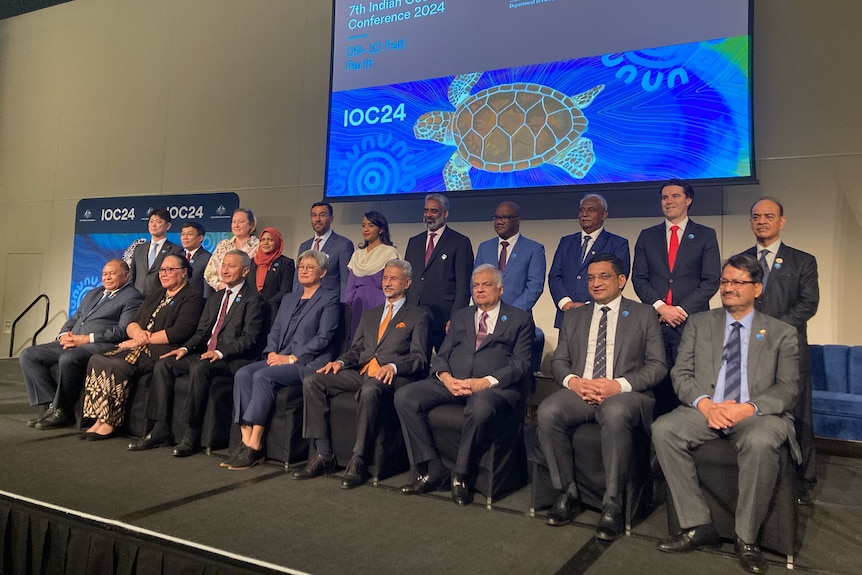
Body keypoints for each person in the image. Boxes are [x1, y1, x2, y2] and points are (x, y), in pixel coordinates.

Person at [653, 254, 799, 575]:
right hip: (708, 407)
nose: (728, 288)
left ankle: (746, 539)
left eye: (737, 282)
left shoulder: (781, 332)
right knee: (664, 430)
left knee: (761, 442)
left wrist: (746, 408)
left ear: (757, 288)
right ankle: (697, 524)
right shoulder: (699, 323)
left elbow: (788, 388)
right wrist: (705, 404)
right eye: (724, 281)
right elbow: (681, 373)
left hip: (755, 413)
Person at [537, 254, 666, 540]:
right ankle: (567, 492)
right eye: (591, 277)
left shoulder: (643, 314)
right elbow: (559, 362)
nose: (596, 283)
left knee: (614, 412)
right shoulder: (574, 315)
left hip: (625, 394)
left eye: (604, 276)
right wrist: (574, 382)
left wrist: (617, 386)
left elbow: (657, 366)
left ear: (621, 280)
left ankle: (612, 504)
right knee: (547, 412)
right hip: (581, 391)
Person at [394, 264, 534, 506]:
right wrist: (446, 378)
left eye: (486, 285)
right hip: (453, 382)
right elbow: (443, 354)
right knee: (405, 396)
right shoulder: (461, 315)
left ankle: (461, 474)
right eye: (476, 285)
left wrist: (485, 382)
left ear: (500, 289)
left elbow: (521, 364)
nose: (479, 290)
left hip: (493, 388)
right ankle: (433, 466)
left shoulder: (519, 319)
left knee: (479, 409)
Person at [298, 259, 430, 487]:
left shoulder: (418, 316)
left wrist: (394, 367)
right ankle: (323, 453)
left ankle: (358, 460)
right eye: (385, 278)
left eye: (393, 279)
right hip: (362, 371)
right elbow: (356, 350)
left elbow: (420, 359)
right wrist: (339, 362)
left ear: (407, 283)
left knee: (370, 390)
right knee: (313, 381)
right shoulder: (370, 314)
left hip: (392, 377)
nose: (387, 283)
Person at [130, 250, 266, 456]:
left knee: (200, 367)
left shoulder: (253, 300)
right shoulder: (215, 297)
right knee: (164, 363)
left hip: (232, 358)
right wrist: (183, 349)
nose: (225, 270)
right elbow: (201, 332)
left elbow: (249, 339)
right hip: (204, 353)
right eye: (224, 265)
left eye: (231, 266)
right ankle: (160, 428)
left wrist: (220, 353)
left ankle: (191, 433)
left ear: (246, 270)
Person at [737, 197, 819, 505]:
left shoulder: (802, 260)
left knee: (799, 415)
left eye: (768, 216)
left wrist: (770, 331)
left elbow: (808, 304)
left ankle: (803, 482)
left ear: (781, 221)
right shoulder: (740, 260)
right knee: (755, 411)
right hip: (747, 352)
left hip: (789, 351)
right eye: (756, 216)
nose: (761, 221)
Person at [227, 250, 341, 470]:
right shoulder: (289, 298)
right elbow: (276, 329)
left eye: (311, 267)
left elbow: (324, 337)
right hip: (279, 356)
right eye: (302, 267)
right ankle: (246, 438)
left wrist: (292, 358)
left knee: (261, 376)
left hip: (307, 363)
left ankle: (255, 443)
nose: (305, 271)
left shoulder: (330, 299)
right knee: (243, 374)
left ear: (323, 273)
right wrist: (270, 351)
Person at [80, 254, 203, 439]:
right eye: (162, 270)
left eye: (170, 270)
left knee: (118, 365)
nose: (164, 274)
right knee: (99, 358)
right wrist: (137, 333)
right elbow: (133, 322)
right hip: (140, 342)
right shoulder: (157, 293)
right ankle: (98, 418)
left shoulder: (191, 297)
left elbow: (180, 332)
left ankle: (110, 422)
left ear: (184, 272)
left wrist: (143, 340)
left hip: (163, 347)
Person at [632, 178, 720, 416]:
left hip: (690, 323)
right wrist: (661, 307)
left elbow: (711, 280)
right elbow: (639, 278)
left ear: (688, 200)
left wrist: (680, 311)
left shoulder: (705, 235)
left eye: (675, 196)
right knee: (659, 387)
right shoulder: (647, 236)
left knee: (690, 383)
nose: (669, 201)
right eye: (664, 197)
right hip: (656, 323)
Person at [21, 259, 144, 430]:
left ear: (126, 275)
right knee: (28, 355)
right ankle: (52, 405)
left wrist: (87, 339)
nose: (107, 277)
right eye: (104, 274)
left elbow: (122, 330)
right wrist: (64, 335)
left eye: (112, 273)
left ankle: (63, 411)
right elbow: (75, 318)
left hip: (101, 344)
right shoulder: (93, 293)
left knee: (68, 359)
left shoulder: (133, 297)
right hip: (74, 341)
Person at [474, 201, 546, 374]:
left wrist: (508, 313)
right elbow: (474, 281)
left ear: (517, 220)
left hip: (518, 320)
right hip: (487, 319)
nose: (499, 221)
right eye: (497, 217)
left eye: (505, 217)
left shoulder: (534, 249)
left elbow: (534, 286)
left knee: (515, 371)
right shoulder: (485, 247)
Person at [404, 193, 474, 352]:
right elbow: (407, 280)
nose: (428, 215)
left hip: (444, 318)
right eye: (426, 210)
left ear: (445, 213)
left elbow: (463, 286)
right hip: (416, 314)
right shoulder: (414, 242)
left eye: (434, 211)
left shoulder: (460, 242)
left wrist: (455, 318)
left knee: (445, 366)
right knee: (416, 363)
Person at [548, 194, 630, 329]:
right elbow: (554, 276)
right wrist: (566, 303)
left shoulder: (617, 243)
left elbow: (617, 281)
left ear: (603, 214)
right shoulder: (566, 242)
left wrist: (587, 306)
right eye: (582, 210)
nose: (584, 214)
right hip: (567, 315)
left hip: (600, 315)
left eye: (591, 210)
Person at [343, 211, 400, 343]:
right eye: (363, 225)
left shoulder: (389, 252)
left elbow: (393, 284)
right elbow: (350, 286)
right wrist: (347, 308)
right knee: (357, 340)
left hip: (379, 303)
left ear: (381, 229)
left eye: (370, 225)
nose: (366, 229)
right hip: (358, 304)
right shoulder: (357, 254)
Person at [294, 202, 354, 298]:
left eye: (322, 215)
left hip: (328, 303)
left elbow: (345, 281)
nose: (317, 219)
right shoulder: (304, 246)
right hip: (303, 302)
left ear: (331, 219)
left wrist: (344, 307)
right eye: (314, 215)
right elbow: (297, 280)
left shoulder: (343, 245)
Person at [130, 208, 184, 295]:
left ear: (168, 226)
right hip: (137, 298)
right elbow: (132, 275)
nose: (153, 225)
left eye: (158, 222)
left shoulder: (175, 250)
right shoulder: (139, 249)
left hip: (160, 297)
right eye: (151, 222)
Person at [204, 208, 259, 292]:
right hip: (222, 293)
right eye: (234, 222)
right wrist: (221, 285)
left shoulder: (258, 246)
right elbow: (209, 272)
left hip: (247, 293)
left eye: (241, 222)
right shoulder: (223, 245)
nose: (236, 225)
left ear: (251, 225)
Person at [249, 227, 295, 327]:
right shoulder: (252, 262)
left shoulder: (286, 263)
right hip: (251, 312)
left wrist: (267, 304)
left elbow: (286, 290)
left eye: (270, 240)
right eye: (263, 240)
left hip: (273, 312)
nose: (266, 243)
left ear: (277, 242)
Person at [179, 221, 213, 299]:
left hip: (196, 302)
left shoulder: (208, 258)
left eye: (190, 234)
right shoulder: (177, 256)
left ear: (200, 238)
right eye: (183, 234)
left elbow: (207, 289)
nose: (185, 237)